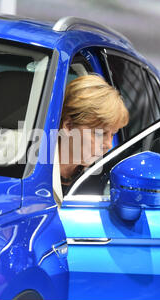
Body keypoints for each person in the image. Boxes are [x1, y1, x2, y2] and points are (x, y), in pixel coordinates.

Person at [53, 74, 129, 205]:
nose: (108, 145)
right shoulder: (22, 164)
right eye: (101, 134)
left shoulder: (104, 178)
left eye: (112, 134)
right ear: (68, 126)